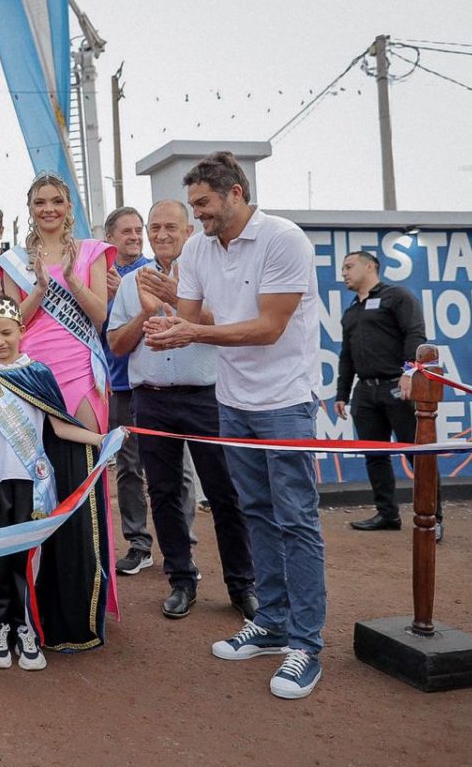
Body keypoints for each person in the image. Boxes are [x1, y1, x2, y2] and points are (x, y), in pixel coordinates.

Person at [144, 151, 326, 700]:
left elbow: (270, 327)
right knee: (255, 512)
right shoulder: (199, 247)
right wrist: (170, 323)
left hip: (286, 400)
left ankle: (306, 644)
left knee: (296, 519)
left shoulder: (284, 239)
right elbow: (196, 317)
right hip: (234, 401)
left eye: (204, 204)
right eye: (194, 205)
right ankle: (270, 623)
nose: (198, 216)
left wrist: (190, 334)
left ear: (237, 193)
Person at [108, 200, 257, 621]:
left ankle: (242, 584)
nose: (161, 234)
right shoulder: (132, 281)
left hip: (206, 396)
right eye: (154, 227)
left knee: (226, 492)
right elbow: (117, 345)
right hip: (151, 399)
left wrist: (178, 298)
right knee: (164, 492)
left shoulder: (212, 272)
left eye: (171, 226)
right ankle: (181, 580)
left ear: (189, 230)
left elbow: (233, 327)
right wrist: (145, 312)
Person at [0, 171, 119, 619]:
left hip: (81, 369)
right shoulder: (13, 261)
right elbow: (9, 325)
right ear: (29, 208)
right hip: (32, 374)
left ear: (69, 207)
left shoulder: (91, 252)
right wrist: (40, 291)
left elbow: (101, 316)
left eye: (56, 202)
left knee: (84, 476)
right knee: (36, 479)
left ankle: (85, 595)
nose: (48, 209)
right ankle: (40, 599)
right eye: (40, 202)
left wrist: (72, 279)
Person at [0, 295, 110, 662]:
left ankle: (27, 626)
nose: (0, 342)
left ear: (21, 331)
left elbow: (60, 427)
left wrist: (101, 439)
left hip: (35, 484)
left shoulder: (38, 374)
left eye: (7, 333)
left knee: (29, 559)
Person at [335, 250, 441, 540]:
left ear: (370, 266)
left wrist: (411, 373)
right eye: (342, 268)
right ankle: (387, 514)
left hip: (399, 387)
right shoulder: (351, 311)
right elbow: (346, 356)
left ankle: (434, 518)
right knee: (375, 455)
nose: (343, 272)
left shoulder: (397, 296)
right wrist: (341, 393)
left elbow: (415, 333)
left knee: (417, 454)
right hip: (365, 393)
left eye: (348, 266)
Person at [100, 206, 155, 576]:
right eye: (127, 232)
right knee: (128, 467)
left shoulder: (154, 272)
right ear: (110, 238)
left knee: (173, 470)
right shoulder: (97, 274)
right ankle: (138, 543)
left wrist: (127, 295)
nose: (135, 237)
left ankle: (181, 542)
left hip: (150, 384)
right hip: (113, 385)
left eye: (139, 230)